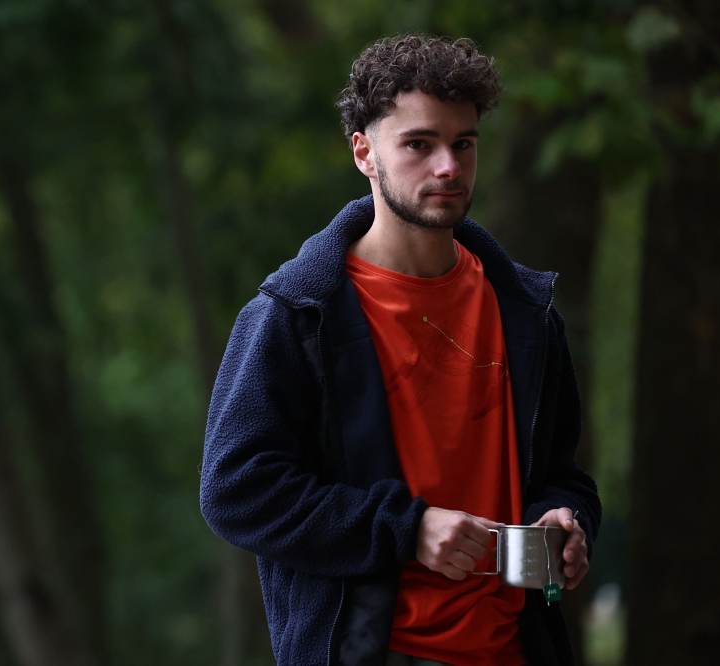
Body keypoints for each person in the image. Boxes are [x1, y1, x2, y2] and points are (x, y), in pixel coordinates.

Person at [200, 34, 601, 666]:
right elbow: (235, 490)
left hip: (516, 650)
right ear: (364, 152)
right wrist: (406, 530)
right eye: (419, 144)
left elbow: (560, 473)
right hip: (371, 651)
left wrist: (565, 518)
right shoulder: (296, 315)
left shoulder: (523, 310)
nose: (447, 166)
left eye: (462, 144)